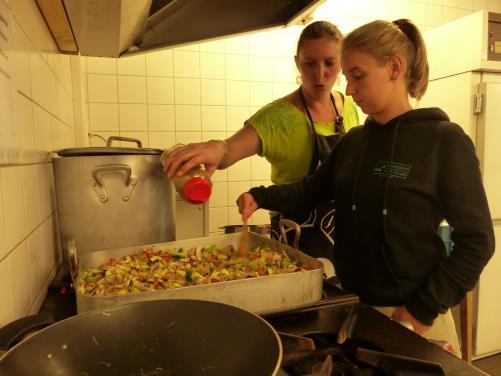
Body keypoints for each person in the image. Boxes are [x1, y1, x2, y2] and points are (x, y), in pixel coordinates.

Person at [237, 18, 495, 353]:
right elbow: (310, 191)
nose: (350, 89)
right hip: (356, 310)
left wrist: (424, 307)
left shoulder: (443, 140)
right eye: (348, 78)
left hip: (414, 316)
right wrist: (259, 196)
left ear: (394, 68)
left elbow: (477, 241)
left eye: (358, 75)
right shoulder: (356, 141)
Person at [163, 21, 359, 260]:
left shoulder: (349, 106)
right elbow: (228, 150)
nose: (320, 74)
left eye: (329, 63)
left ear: (341, 62)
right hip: (296, 240)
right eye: (310, 63)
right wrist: (217, 148)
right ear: (297, 62)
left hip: (345, 236)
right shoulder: (277, 117)